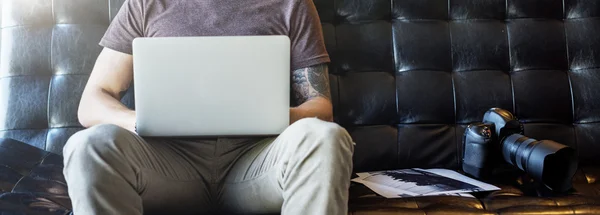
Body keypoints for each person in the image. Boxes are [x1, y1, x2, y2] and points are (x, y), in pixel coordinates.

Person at [61, 0, 355, 214]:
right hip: (167, 166)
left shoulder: (293, 4)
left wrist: (267, 115)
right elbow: (92, 102)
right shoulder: (145, 4)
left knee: (326, 138)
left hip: (255, 166)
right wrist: (142, 121)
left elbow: (321, 106)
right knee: (89, 145)